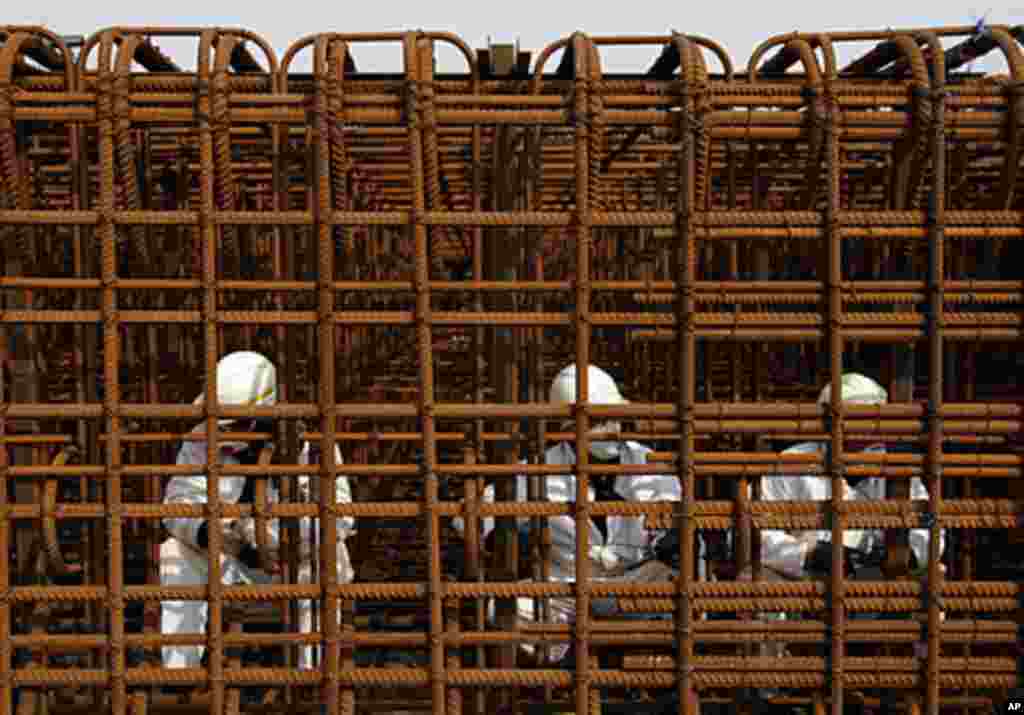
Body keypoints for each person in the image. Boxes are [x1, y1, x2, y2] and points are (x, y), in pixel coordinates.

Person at [452, 363, 687, 664]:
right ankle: (574, 663)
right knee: (505, 608)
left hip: (635, 581)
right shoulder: (540, 469)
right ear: (569, 428)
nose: (611, 430)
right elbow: (467, 518)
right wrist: (504, 533)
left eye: (613, 419)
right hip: (565, 587)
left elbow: (674, 511)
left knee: (688, 591)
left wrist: (674, 535)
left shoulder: (649, 464)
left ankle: (634, 653)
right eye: (597, 423)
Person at [159, 350, 356, 670]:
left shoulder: (315, 447)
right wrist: (212, 533)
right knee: (173, 554)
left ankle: (315, 675)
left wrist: (280, 537)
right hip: (230, 563)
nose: (224, 432)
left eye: (234, 423)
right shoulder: (201, 441)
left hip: (297, 567)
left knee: (332, 559)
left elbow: (343, 518)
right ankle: (181, 675)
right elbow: (175, 506)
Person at [740, 372, 946, 673]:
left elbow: (930, 530)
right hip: (804, 580)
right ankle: (766, 691)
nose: (866, 429)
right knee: (754, 585)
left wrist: (905, 554)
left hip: (877, 580)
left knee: (932, 583)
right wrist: (807, 554)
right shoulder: (792, 463)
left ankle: (916, 685)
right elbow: (755, 534)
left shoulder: (898, 467)